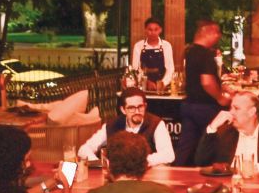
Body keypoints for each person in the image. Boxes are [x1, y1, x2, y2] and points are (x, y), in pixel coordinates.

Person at [177, 19, 233, 166]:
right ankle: (214, 169)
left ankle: (178, 169)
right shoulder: (206, 54)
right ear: (209, 33)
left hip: (189, 104)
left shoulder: (189, 52)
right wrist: (220, 97)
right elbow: (206, 81)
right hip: (205, 106)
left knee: (186, 145)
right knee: (213, 140)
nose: (218, 36)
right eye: (217, 33)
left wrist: (221, 86)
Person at [77, 87, 174, 167]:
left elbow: (168, 154)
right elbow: (83, 149)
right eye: (131, 108)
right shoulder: (112, 124)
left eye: (140, 107)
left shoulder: (156, 124)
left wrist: (138, 162)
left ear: (145, 106)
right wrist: (101, 164)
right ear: (123, 110)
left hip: (145, 176)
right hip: (117, 178)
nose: (137, 112)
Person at [131, 17, 175, 91]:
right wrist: (146, 82)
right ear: (145, 30)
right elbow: (135, 69)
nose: (153, 33)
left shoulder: (166, 45)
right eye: (150, 30)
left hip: (163, 87)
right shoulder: (138, 46)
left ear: (160, 30)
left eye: (156, 29)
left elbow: (170, 69)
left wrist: (162, 83)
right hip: (143, 86)